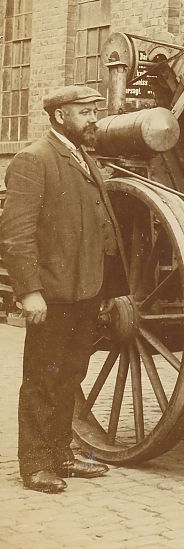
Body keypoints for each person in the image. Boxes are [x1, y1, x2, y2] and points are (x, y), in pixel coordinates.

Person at [0, 85, 119, 493]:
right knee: (42, 378)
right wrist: (29, 290)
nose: (93, 119)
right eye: (84, 111)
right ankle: (34, 465)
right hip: (51, 293)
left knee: (70, 374)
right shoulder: (34, 160)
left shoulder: (82, 157)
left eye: (93, 111)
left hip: (84, 291)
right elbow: (16, 234)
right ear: (60, 116)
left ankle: (61, 454)